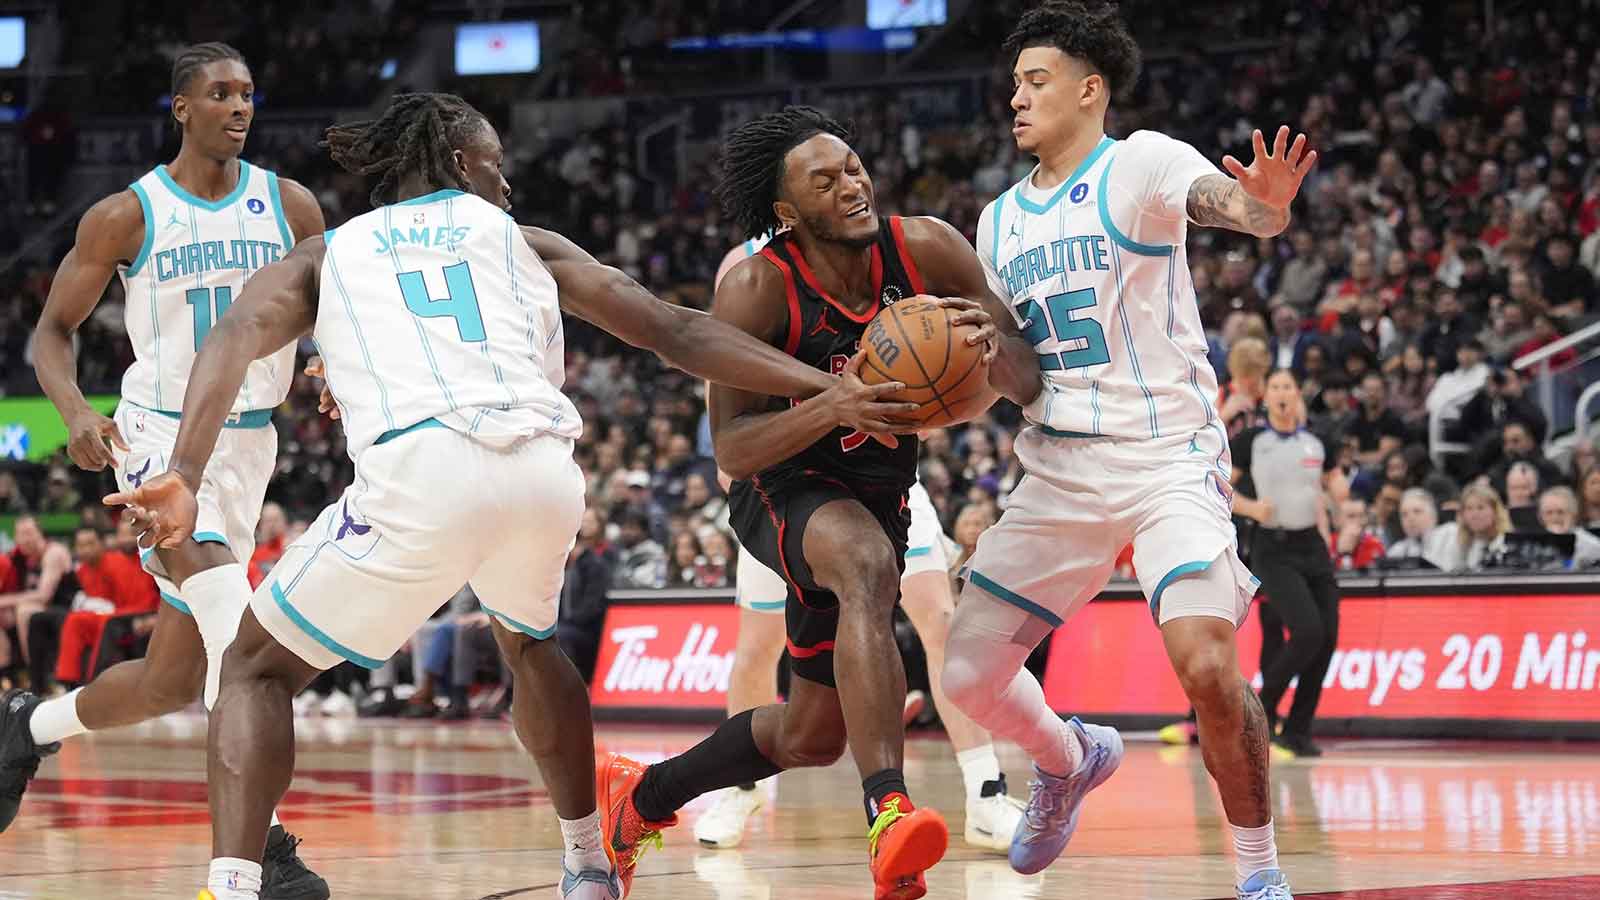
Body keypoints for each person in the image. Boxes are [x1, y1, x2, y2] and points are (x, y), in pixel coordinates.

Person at [107, 93, 911, 900]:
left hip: (423, 475)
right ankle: (590, 866)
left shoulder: (329, 253)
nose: (507, 183)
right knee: (531, 644)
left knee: (251, 667)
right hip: (542, 478)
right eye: (497, 164)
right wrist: (828, 387)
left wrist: (183, 466)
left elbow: (234, 334)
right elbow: (676, 331)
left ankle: (232, 888)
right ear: (461, 164)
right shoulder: (524, 242)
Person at [942, 6, 1319, 897]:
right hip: (1060, 465)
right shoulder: (996, 223)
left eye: (1037, 80)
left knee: (1208, 669)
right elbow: (1020, 372)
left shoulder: (1141, 161)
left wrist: (1260, 208)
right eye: (1015, 82)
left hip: (1164, 460)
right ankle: (1070, 759)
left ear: (1089, 89)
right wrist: (952, 379)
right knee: (966, 674)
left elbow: (1226, 206)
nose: (1017, 97)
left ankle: (1260, 872)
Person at [595, 105, 1018, 900]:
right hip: (780, 487)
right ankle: (889, 813)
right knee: (866, 564)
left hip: (880, 489)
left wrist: (990, 352)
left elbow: (1006, 355)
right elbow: (732, 450)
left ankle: (640, 797)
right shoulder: (758, 287)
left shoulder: (925, 245)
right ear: (788, 213)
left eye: (853, 167)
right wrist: (832, 404)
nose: (851, 185)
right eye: (824, 182)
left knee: (810, 735)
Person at [0, 44, 331, 895]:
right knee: (237, 625)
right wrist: (75, 411)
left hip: (251, 441)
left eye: (248, 93)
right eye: (219, 93)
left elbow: (335, 309)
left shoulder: (289, 205)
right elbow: (51, 332)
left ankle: (26, 726)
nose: (238, 106)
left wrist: (332, 364)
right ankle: (261, 854)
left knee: (170, 680)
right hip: (156, 439)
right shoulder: (129, 214)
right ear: (180, 107)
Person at [691, 241, 1024, 858]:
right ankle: (741, 787)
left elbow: (929, 369)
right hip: (784, 484)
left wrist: (941, 392)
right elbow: (724, 380)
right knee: (760, 645)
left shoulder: (872, 256)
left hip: (881, 478)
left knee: (940, 618)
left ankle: (985, 790)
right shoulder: (746, 270)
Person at [0, 518, 75, 680]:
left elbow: (43, 596)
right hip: (42, 609)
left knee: (24, 611)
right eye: (20, 535)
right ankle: (6, 673)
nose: (24, 539)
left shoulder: (53, 552)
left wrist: (4, 601)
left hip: (66, 605)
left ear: (40, 533)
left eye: (28, 533)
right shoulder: (18, 558)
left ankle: (36, 675)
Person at [1436, 484, 1512, 572]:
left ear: (1495, 511)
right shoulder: (1459, 543)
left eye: (1481, 508)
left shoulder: (1507, 543)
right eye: (1469, 508)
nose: (1474, 515)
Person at [1535, 486, 1600, 569]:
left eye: (1560, 512)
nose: (1555, 518)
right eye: (1549, 513)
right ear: (1541, 518)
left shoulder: (1593, 546)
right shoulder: (1534, 545)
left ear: (1573, 514)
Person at [1386, 488, 1452, 568]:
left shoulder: (1449, 534)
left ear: (1433, 515)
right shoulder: (1396, 551)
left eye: (1417, 511)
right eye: (1404, 514)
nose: (1410, 518)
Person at [1329, 498, 1386, 571]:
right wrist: (1340, 553)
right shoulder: (1327, 544)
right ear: (1336, 521)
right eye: (1351, 516)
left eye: (1361, 516)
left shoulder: (1375, 544)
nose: (1358, 521)